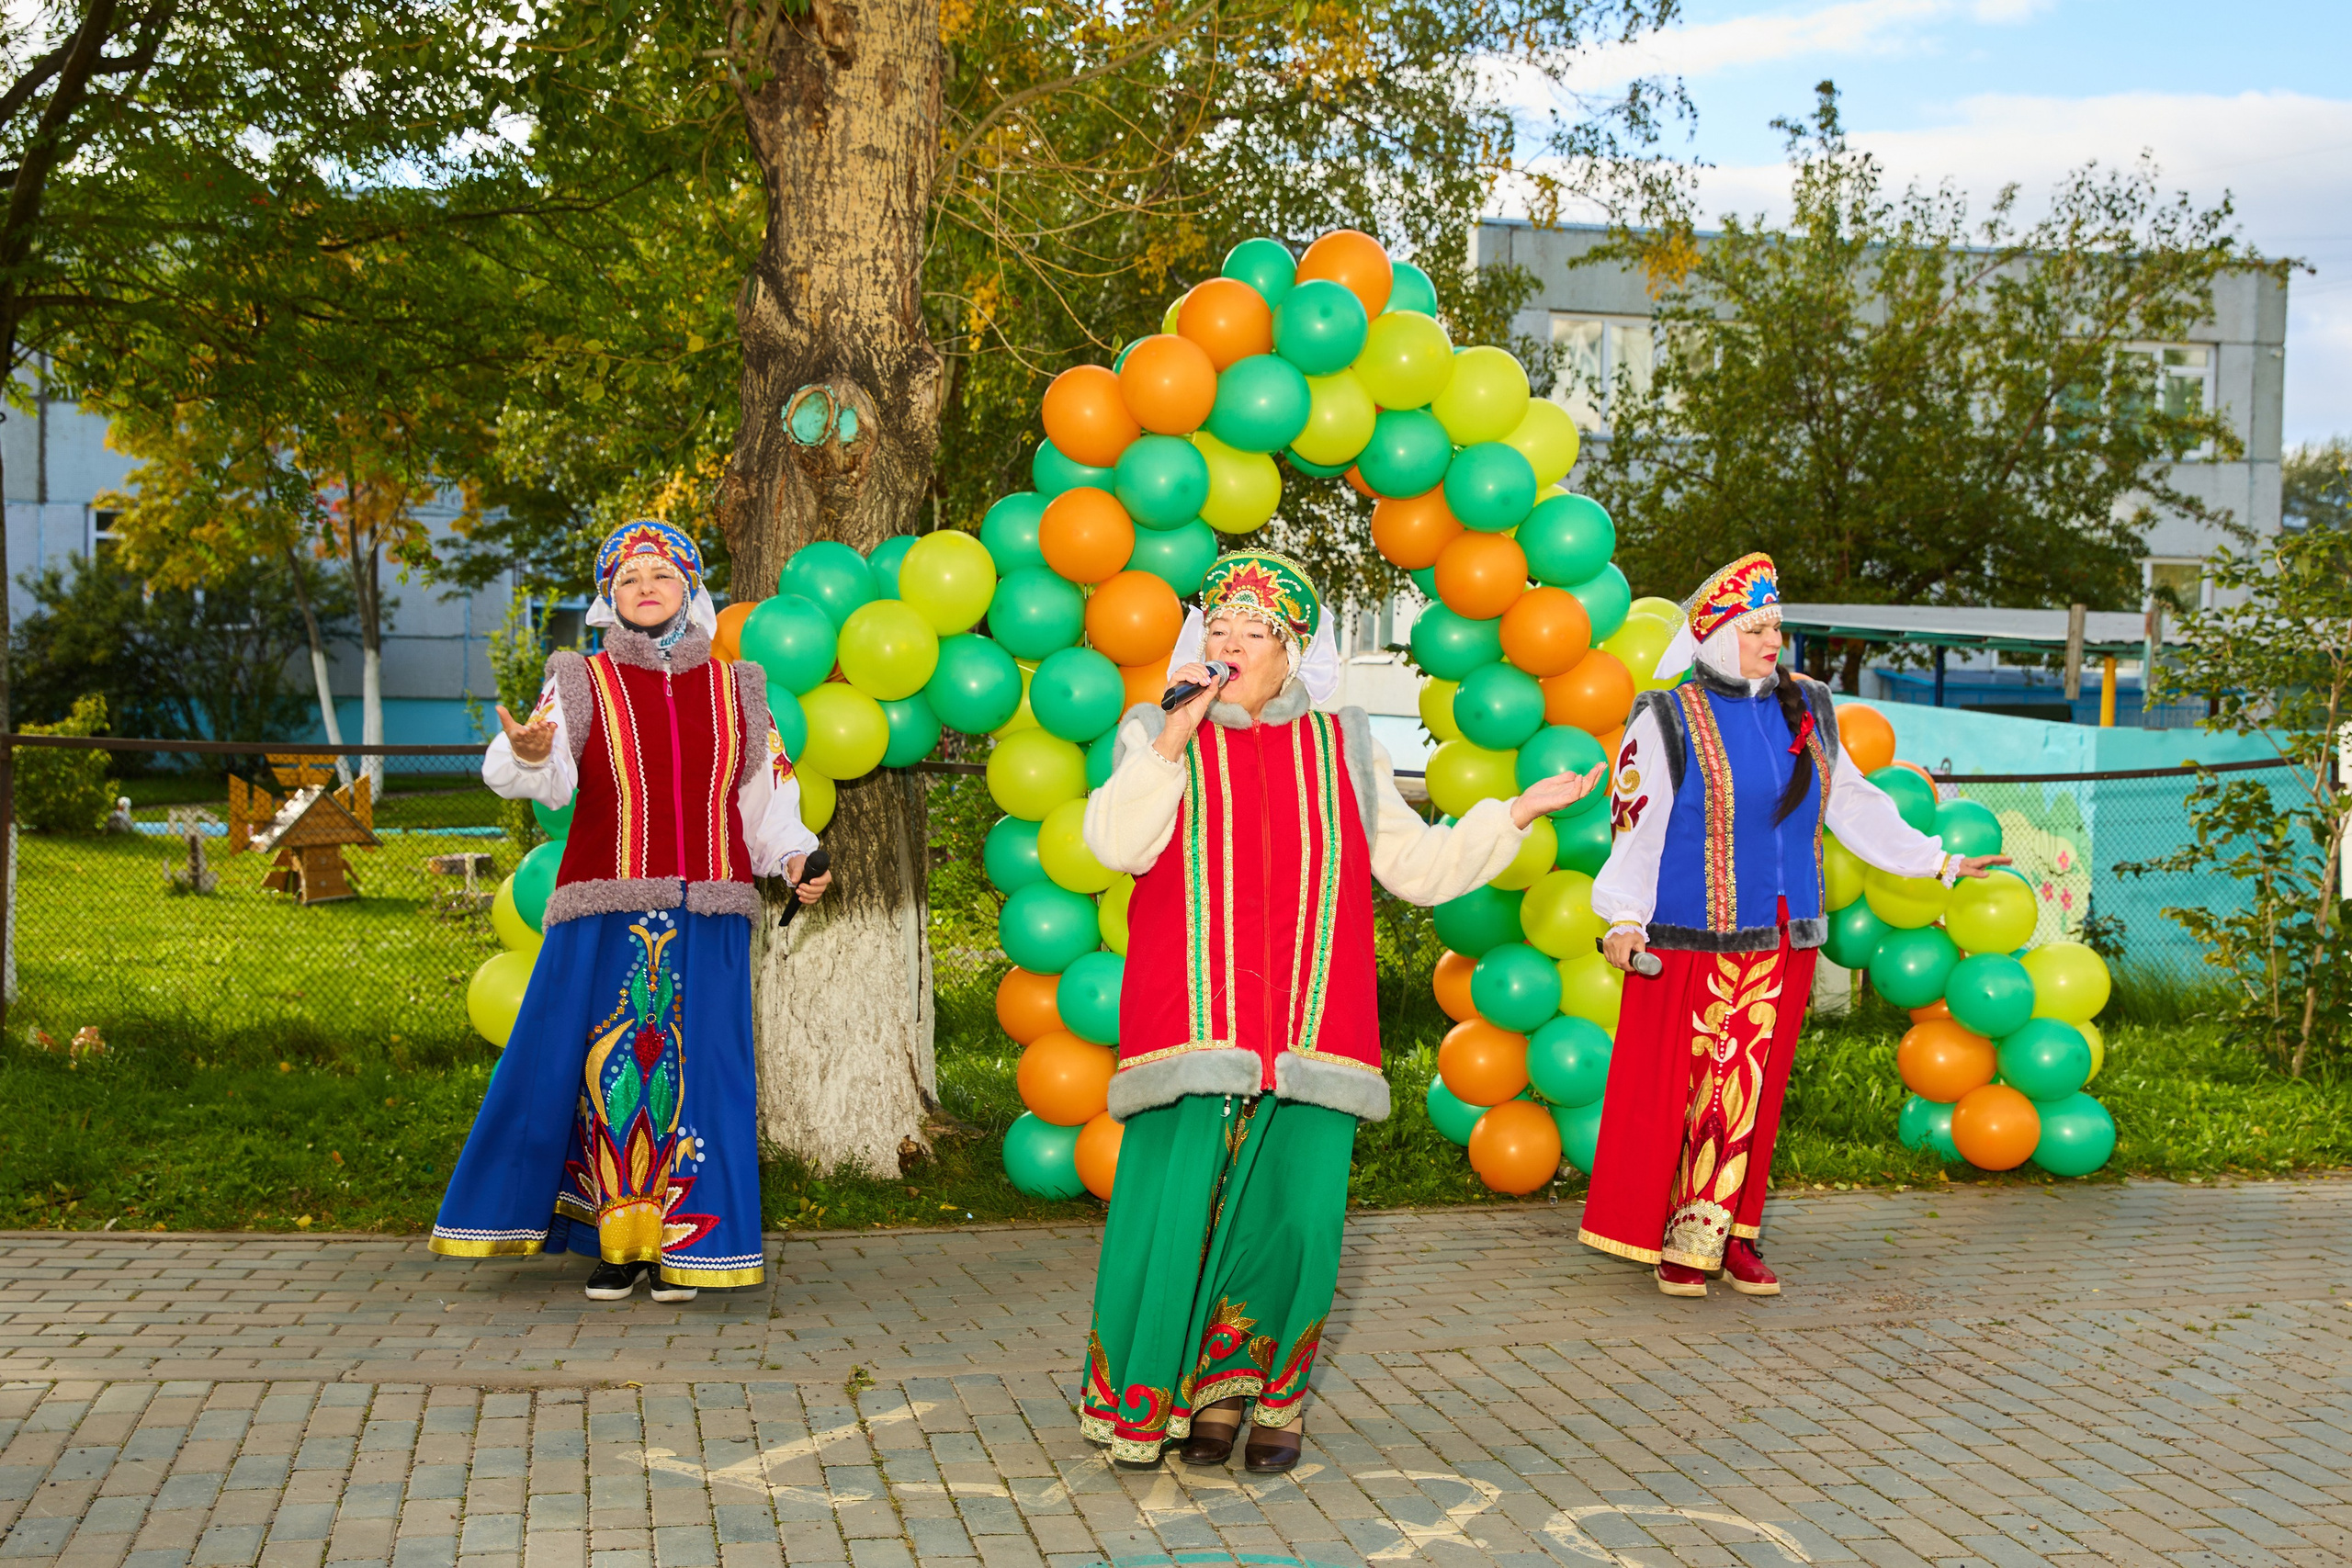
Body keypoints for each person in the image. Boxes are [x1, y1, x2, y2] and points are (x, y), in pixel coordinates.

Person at [1079, 550, 1604, 1472]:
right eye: (1216, 629)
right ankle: (1160, 1400)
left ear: (1292, 653)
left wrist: (1513, 813)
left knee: (1293, 1220)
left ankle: (1263, 1400)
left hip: (1312, 1035)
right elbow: (1117, 843)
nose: (1229, 645)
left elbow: (1417, 869)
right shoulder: (1155, 735)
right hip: (1191, 1032)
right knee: (1173, 1214)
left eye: (1253, 633)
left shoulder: (1345, 745)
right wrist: (1170, 734)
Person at [1580, 553, 2007, 1298]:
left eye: (1776, 624)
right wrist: (1622, 916)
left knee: (1754, 1088)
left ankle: (1731, 1233)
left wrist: (1938, 860)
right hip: (1691, 936)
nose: (1771, 639)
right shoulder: (1667, 715)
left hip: (1784, 935)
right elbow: (1635, 828)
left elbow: (1852, 802)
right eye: (1755, 628)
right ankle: (1683, 1235)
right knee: (1696, 1089)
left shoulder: (1806, 703)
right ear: (1715, 636)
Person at [430, 520, 833, 1302]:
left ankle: (686, 1242)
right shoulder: (580, 682)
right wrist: (534, 751)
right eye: (627, 579)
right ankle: (615, 1246)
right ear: (606, 600)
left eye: (661, 573)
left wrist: (794, 857)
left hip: (708, 916)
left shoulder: (739, 688)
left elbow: (765, 805)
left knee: (702, 1078)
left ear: (691, 587)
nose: (645, 587)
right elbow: (534, 776)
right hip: (606, 914)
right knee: (605, 1072)